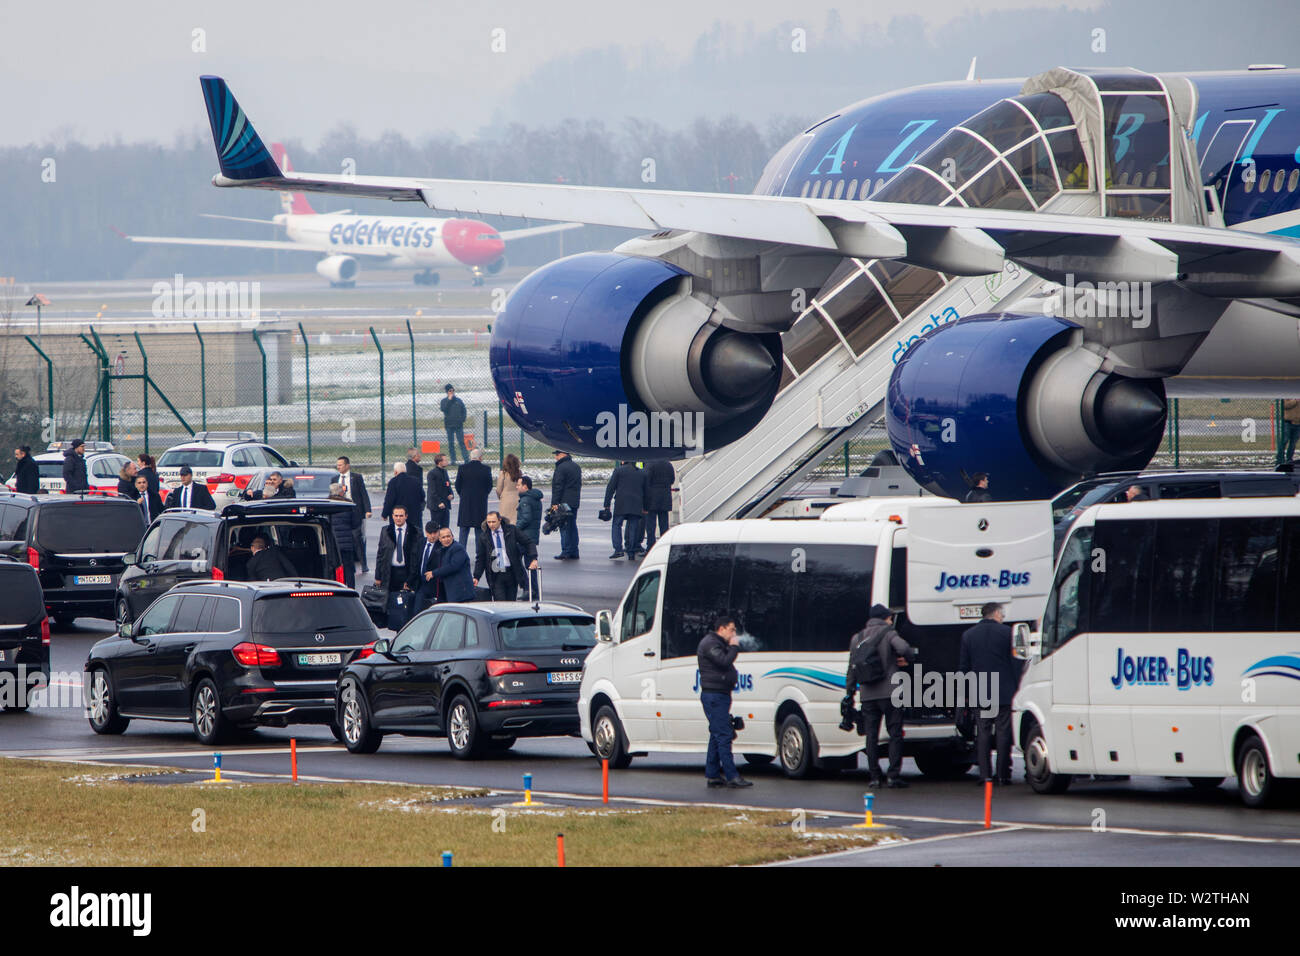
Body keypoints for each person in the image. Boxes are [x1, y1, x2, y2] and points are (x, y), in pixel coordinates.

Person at [847, 604, 917, 789]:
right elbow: (905, 649)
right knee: (895, 734)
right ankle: (893, 776)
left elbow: (852, 668)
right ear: (885, 618)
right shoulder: (889, 633)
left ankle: (874, 777)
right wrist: (908, 659)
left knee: (871, 736)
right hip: (890, 692)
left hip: (868, 694)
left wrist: (850, 692)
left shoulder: (857, 638)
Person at [959, 602, 1023, 786]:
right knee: (1003, 733)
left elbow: (964, 667)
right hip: (1004, 691)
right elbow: (1016, 663)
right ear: (995, 613)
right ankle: (1003, 775)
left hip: (980, 692)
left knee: (983, 733)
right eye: (1002, 614)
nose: (1003, 617)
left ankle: (985, 775)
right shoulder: (1007, 633)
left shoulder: (968, 635)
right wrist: (1018, 686)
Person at [696, 614, 752, 789]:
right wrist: (734, 647)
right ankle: (732, 775)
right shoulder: (710, 644)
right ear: (721, 629)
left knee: (716, 734)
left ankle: (713, 775)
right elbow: (723, 661)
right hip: (714, 696)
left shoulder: (717, 643)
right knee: (724, 735)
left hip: (719, 695)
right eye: (731, 629)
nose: (734, 633)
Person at [474, 510, 539, 601]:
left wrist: (533, 558)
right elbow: (480, 558)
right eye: (489, 522)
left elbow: (528, 542)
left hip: (511, 572)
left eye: (493, 522)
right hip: (496, 574)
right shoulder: (484, 537)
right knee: (500, 602)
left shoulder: (511, 530)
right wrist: (476, 576)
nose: (491, 525)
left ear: (500, 520)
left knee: (511, 601)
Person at [375, 505, 420, 628]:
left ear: (406, 516)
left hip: (406, 572)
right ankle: (394, 627)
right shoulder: (385, 531)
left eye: (401, 516)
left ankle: (405, 627)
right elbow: (380, 554)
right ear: (392, 516)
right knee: (391, 603)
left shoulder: (415, 532)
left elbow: (417, 558)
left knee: (406, 603)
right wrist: (378, 576)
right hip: (390, 572)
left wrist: (411, 579)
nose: (398, 518)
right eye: (396, 516)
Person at [412, 524, 473, 611]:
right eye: (443, 537)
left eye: (448, 536)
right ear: (439, 539)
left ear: (453, 536)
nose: (446, 539)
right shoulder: (443, 549)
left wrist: (434, 573)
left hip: (461, 592)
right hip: (449, 591)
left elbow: (453, 566)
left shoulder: (457, 548)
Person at [603, 460, 646, 560]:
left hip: (621, 503)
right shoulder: (641, 473)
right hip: (636, 504)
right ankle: (631, 552)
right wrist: (646, 507)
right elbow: (646, 491)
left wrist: (607, 505)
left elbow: (610, 488)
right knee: (633, 527)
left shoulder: (618, 471)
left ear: (623, 461)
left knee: (617, 525)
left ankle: (618, 549)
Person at [336, 456, 372, 574]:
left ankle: (363, 564)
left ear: (347, 465)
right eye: (338, 465)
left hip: (355, 513)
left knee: (357, 538)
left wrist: (367, 509)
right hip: (341, 513)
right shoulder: (335, 478)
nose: (338, 467)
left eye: (341, 465)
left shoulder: (356, 478)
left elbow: (363, 494)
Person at [455, 447, 493, 556]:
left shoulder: (462, 468)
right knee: (479, 529)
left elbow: (458, 485)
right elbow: (489, 486)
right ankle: (479, 553)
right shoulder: (486, 469)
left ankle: (461, 553)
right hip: (480, 503)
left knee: (464, 529)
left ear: (471, 457)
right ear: (480, 458)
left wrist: (463, 495)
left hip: (465, 503)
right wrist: (483, 495)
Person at [550, 449, 582, 560]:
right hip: (574, 501)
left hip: (564, 502)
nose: (556, 457)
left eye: (557, 454)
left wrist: (555, 503)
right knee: (572, 525)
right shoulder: (576, 467)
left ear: (564, 454)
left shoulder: (561, 468)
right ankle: (574, 551)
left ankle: (566, 551)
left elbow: (558, 486)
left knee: (564, 526)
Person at [381, 460, 424, 535]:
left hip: (399, 516)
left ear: (395, 472)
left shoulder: (393, 482)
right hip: (414, 515)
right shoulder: (416, 481)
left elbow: (389, 500)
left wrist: (385, 514)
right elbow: (422, 496)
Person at [328, 483, 357, 588]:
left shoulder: (327, 504)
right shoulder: (348, 505)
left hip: (332, 543)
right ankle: (351, 589)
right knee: (349, 568)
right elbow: (356, 523)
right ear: (341, 492)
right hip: (346, 542)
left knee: (334, 567)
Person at [642, 459, 675, 551]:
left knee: (651, 526)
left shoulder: (650, 464)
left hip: (652, 498)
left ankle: (651, 547)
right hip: (665, 497)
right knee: (664, 524)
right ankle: (664, 546)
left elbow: (646, 480)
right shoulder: (669, 465)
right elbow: (672, 480)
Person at [440, 384, 469, 464]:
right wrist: (449, 400)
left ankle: (466, 459)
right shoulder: (444, 401)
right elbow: (443, 409)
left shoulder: (458, 400)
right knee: (451, 444)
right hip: (449, 425)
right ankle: (453, 460)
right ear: (447, 392)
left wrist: (462, 419)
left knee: (461, 442)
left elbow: (464, 410)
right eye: (450, 391)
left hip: (458, 425)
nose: (452, 392)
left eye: (452, 390)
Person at [426, 453, 453, 531]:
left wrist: (451, 494)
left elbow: (448, 484)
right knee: (436, 527)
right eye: (445, 460)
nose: (447, 461)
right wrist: (439, 502)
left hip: (445, 504)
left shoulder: (444, 472)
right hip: (436, 506)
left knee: (445, 527)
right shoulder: (432, 473)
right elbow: (432, 490)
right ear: (439, 462)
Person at [515, 475, 543, 545]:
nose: (516, 487)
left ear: (525, 486)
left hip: (525, 535)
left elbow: (526, 518)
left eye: (518, 485)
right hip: (533, 534)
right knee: (531, 554)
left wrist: (515, 529)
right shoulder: (535, 497)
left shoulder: (525, 500)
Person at [496, 453, 522, 523]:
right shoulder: (519, 473)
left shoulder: (503, 474)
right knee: (515, 520)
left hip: (506, 499)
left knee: (505, 521)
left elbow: (499, 489)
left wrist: (501, 496)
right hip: (517, 498)